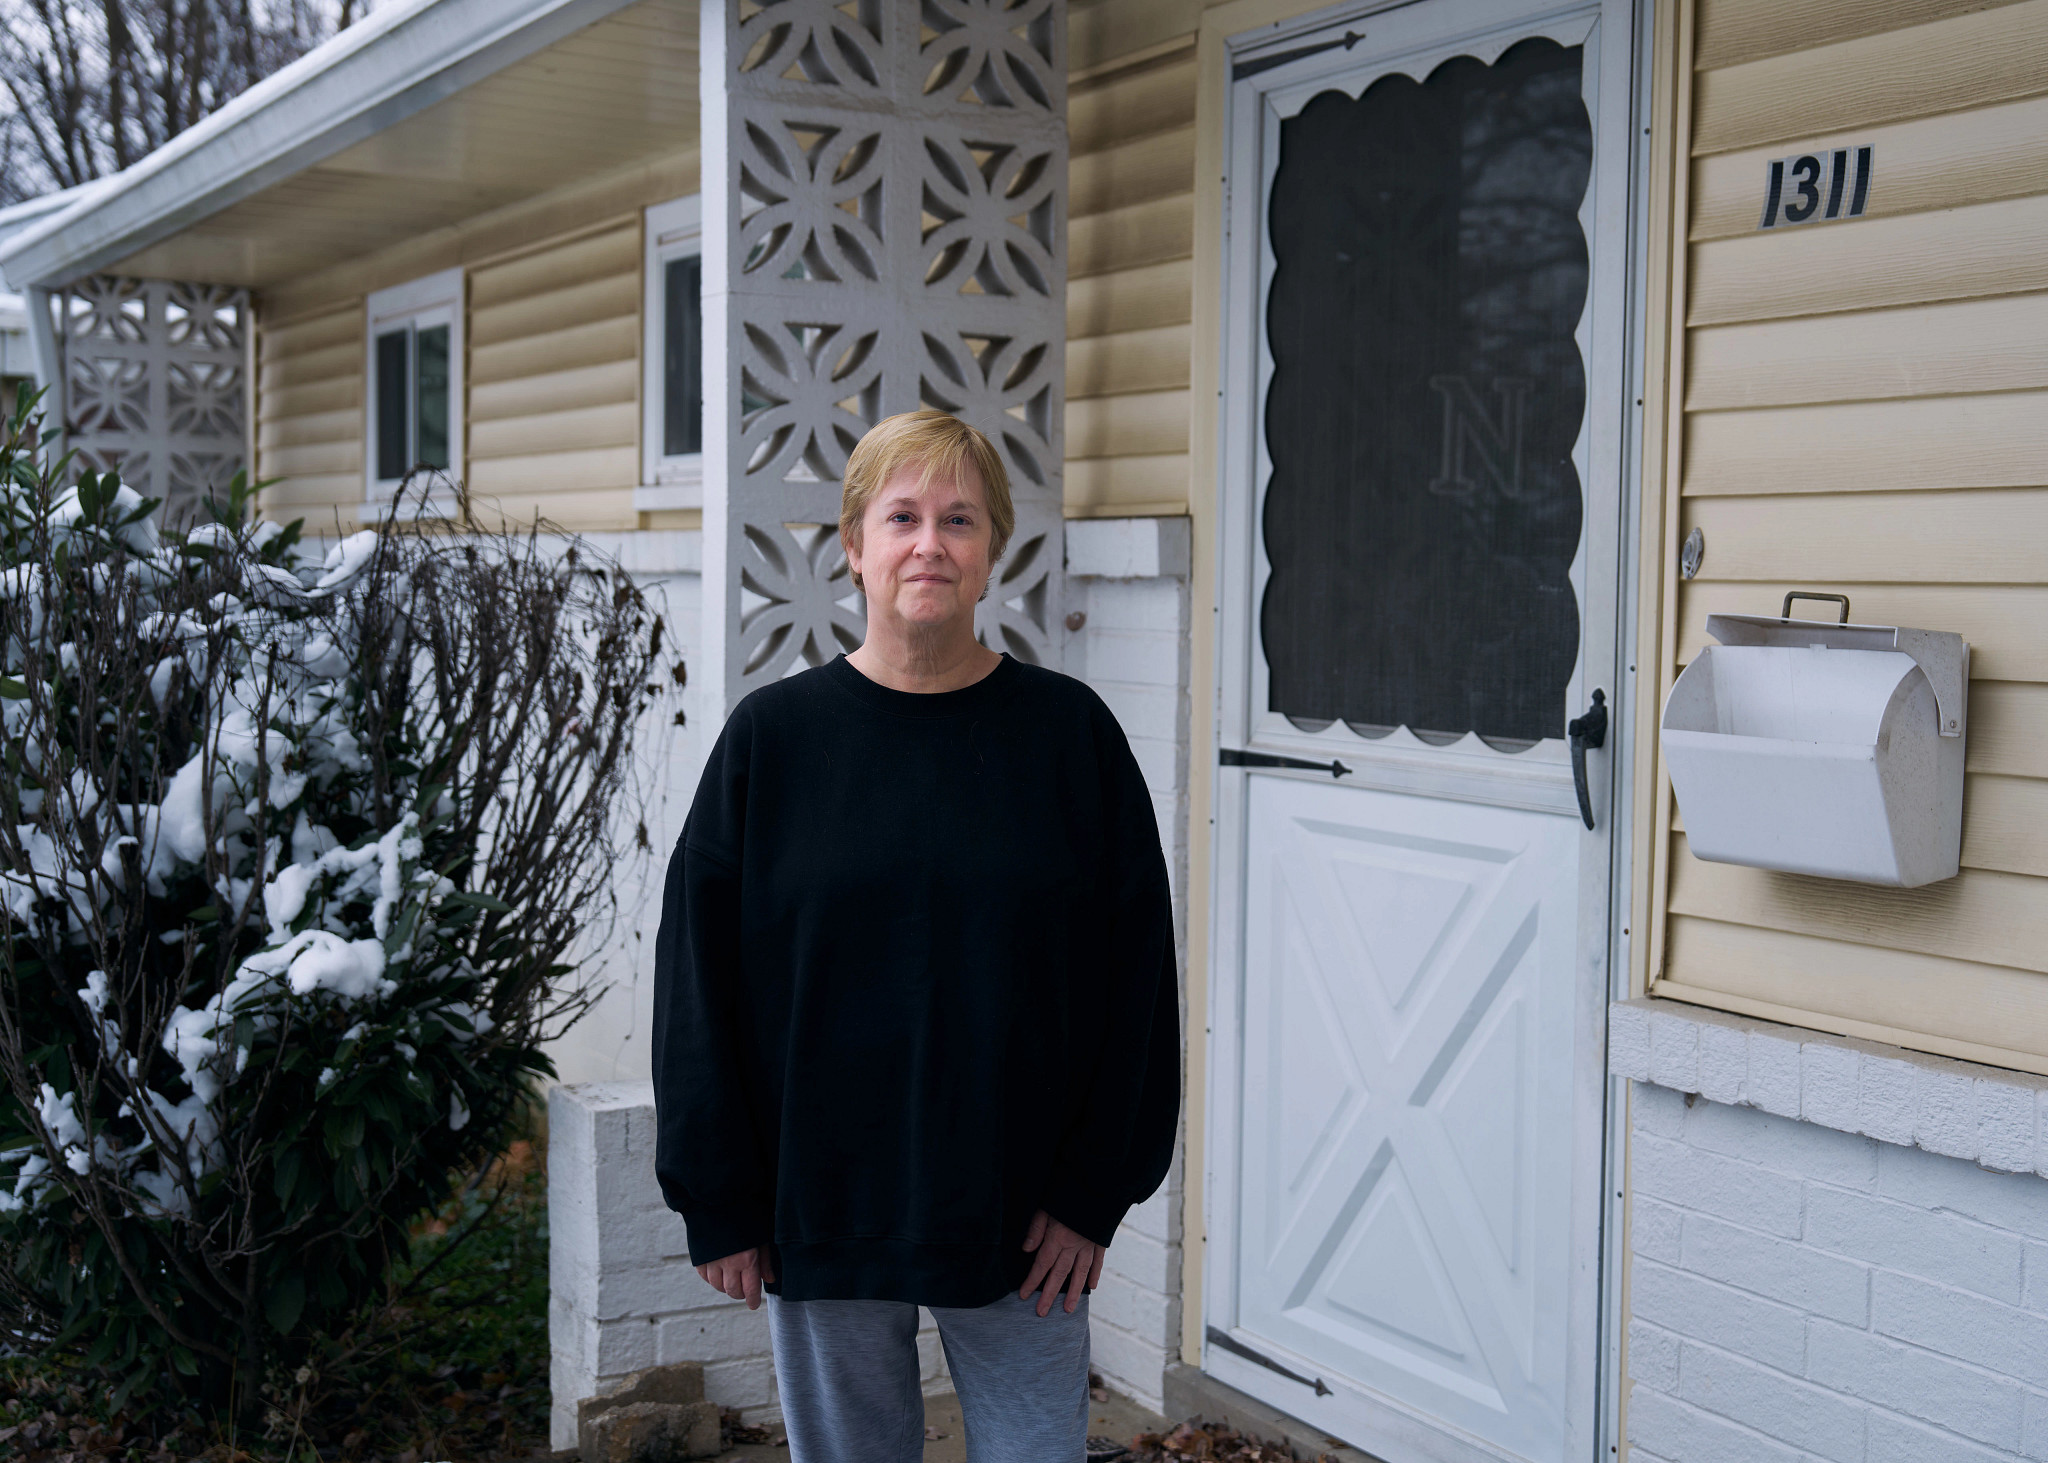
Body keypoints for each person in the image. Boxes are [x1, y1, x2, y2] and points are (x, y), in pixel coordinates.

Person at [652, 409, 1181, 1462]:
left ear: (992, 554)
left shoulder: (1069, 738)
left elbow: (1135, 985)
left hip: (1023, 1221)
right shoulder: (774, 741)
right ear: (854, 546)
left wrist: (1090, 1193)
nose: (927, 543)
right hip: (822, 1210)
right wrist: (717, 1195)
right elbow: (695, 983)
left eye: (958, 519)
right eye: (900, 516)